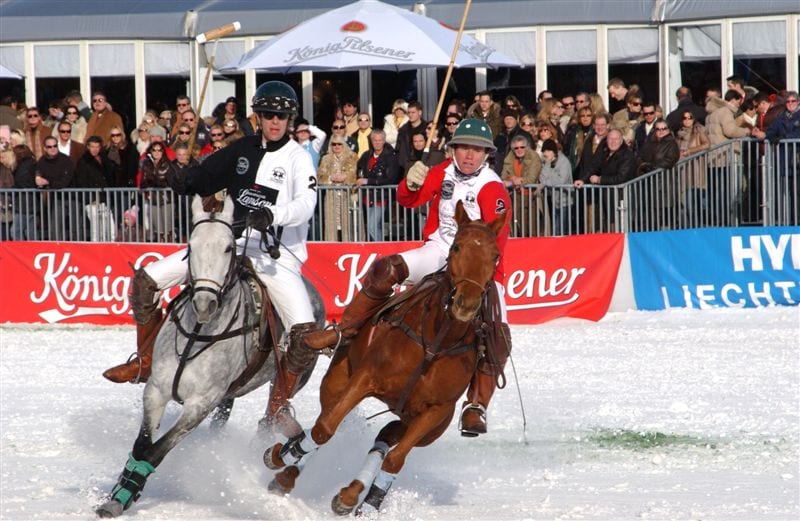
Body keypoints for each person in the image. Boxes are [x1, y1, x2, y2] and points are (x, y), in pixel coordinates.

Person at [102, 81, 319, 431]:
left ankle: (278, 406)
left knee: (305, 334)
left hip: (274, 256)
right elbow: (204, 176)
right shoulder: (242, 149)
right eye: (268, 115)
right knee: (145, 281)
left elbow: (307, 204)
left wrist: (272, 215)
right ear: (257, 117)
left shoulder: (298, 157)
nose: (275, 121)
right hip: (225, 246)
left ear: (290, 118)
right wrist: (184, 178)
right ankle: (144, 359)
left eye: (281, 115)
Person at [295, 118, 512, 437]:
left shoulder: (492, 188)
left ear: (487, 155)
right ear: (453, 149)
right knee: (387, 268)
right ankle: (344, 331)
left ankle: (475, 405)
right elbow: (409, 201)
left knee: (500, 334)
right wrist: (410, 183)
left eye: (477, 151)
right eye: (463, 148)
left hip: (477, 269)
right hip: (440, 249)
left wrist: (474, 275)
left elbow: (496, 244)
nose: (469, 156)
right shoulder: (442, 171)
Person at [355, 129, 400, 241]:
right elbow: (359, 170)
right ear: (371, 141)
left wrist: (367, 181)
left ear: (384, 141)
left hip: (381, 197)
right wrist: (360, 178)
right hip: (367, 196)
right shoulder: (366, 155)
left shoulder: (391, 156)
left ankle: (380, 251)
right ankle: (377, 249)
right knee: (372, 226)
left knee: (372, 226)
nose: (377, 143)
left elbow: (391, 179)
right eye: (375, 140)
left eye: (380, 140)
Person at [317, 134, 358, 241]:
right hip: (331, 196)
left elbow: (356, 174)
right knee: (331, 226)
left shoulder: (352, 157)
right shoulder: (325, 159)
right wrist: (330, 178)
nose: (336, 146)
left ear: (343, 145)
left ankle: (350, 247)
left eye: (339, 144)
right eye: (333, 144)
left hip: (347, 195)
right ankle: (331, 249)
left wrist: (345, 177)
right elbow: (320, 177)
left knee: (348, 225)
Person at [501, 134, 541, 236]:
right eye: (516, 148)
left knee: (531, 227)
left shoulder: (533, 157)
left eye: (522, 147)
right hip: (515, 196)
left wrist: (516, 181)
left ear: (526, 147)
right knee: (516, 226)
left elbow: (531, 178)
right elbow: (503, 178)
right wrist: (513, 180)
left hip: (532, 196)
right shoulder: (509, 158)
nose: (519, 150)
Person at [35, 136, 74, 240]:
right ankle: (57, 249)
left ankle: (78, 251)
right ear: (45, 148)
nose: (52, 148)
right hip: (56, 198)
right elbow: (38, 175)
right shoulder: (42, 161)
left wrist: (48, 181)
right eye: (49, 146)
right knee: (55, 227)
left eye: (55, 146)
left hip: (72, 196)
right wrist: (38, 180)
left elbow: (65, 181)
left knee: (75, 227)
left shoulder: (65, 160)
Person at [536, 138, 574, 236]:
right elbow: (542, 178)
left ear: (554, 151)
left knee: (560, 230)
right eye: (544, 151)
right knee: (556, 230)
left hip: (565, 201)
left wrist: (545, 183)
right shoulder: (546, 162)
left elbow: (561, 180)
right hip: (554, 201)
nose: (545, 153)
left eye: (548, 150)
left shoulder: (564, 162)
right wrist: (547, 164)